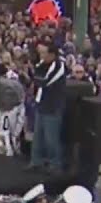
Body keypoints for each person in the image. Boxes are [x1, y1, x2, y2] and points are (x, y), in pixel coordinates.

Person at [28, 41, 67, 173]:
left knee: (51, 138)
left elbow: (45, 81)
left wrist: (37, 80)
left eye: (44, 53)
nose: (42, 55)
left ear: (52, 54)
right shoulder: (41, 64)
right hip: (41, 104)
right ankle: (36, 161)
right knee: (38, 135)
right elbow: (35, 78)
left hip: (53, 106)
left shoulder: (59, 66)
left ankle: (54, 163)